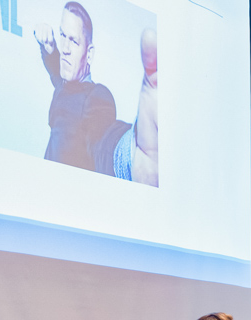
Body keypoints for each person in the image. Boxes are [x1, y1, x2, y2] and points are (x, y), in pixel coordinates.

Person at [34, 2, 158, 184]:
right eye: (62, 35)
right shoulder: (64, 82)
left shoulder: (97, 97)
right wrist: (48, 47)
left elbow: (103, 140)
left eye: (74, 41)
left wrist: (128, 156)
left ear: (89, 54)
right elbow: (56, 71)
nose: (65, 50)